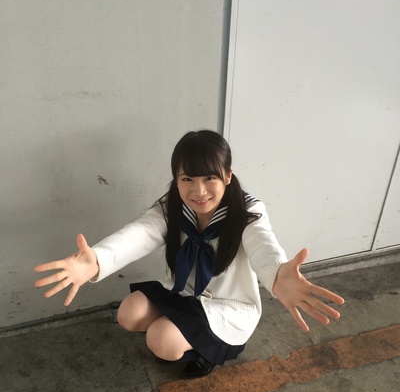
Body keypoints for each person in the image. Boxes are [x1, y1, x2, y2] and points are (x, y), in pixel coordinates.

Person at [34, 130, 344, 379]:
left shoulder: (246, 211)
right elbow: (140, 233)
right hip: (182, 291)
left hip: (224, 304)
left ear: (228, 176)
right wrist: (98, 259)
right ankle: (182, 331)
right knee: (128, 313)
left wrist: (277, 275)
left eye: (210, 178)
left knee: (161, 341)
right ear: (176, 179)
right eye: (188, 179)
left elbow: (263, 245)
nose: (199, 191)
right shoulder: (173, 206)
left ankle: (206, 351)